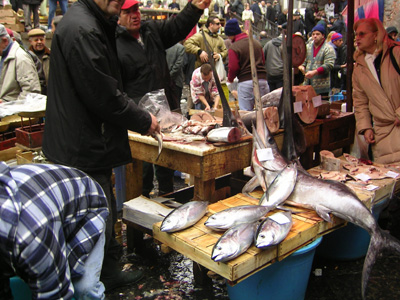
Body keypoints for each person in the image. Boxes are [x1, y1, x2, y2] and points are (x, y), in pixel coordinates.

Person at [42, 0, 193, 290]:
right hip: (83, 144)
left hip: (88, 139)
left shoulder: (94, 22)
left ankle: (104, 269)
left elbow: (173, 28)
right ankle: (101, 277)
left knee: (103, 206)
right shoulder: (84, 30)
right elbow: (103, 95)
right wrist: (142, 119)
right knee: (97, 211)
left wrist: (194, 8)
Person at [116, 0, 205, 197]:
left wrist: (195, 7)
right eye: (128, 11)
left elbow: (176, 27)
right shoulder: (114, 44)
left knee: (167, 159)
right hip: (138, 118)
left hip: (166, 111)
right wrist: (136, 115)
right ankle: (141, 201)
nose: (135, 15)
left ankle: (167, 196)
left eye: (136, 9)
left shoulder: (151, 31)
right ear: (118, 16)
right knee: (142, 167)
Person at [0, 162, 109, 300]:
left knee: (84, 289)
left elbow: (55, 295)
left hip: (86, 206)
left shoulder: (31, 239)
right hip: (48, 207)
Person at [352, 18, 400, 164]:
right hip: (382, 133)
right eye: (356, 34)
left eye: (362, 34)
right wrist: (365, 127)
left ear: (375, 35)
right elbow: (360, 102)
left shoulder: (396, 53)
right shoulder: (359, 67)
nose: (357, 38)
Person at [225, 18, 269, 110]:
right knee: (265, 113)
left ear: (232, 34)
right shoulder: (256, 43)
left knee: (246, 114)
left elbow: (233, 67)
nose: (228, 38)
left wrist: (230, 79)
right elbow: (263, 61)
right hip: (262, 80)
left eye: (228, 35)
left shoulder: (234, 47)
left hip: (246, 82)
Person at [0, 24, 40, 103]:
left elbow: (30, 93)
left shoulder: (21, 58)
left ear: (5, 41)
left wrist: (9, 105)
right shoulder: (3, 56)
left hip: (13, 112)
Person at [298, 23, 335, 97]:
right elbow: (303, 60)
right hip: (307, 85)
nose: (315, 36)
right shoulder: (307, 46)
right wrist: (302, 66)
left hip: (321, 87)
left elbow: (329, 65)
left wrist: (315, 72)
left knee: (319, 107)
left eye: (318, 34)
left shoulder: (328, 48)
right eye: (313, 34)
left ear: (323, 35)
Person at [28, 28, 50, 95]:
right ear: (30, 42)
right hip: (34, 93)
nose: (39, 42)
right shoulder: (27, 57)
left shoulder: (50, 55)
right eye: (36, 40)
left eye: (41, 39)